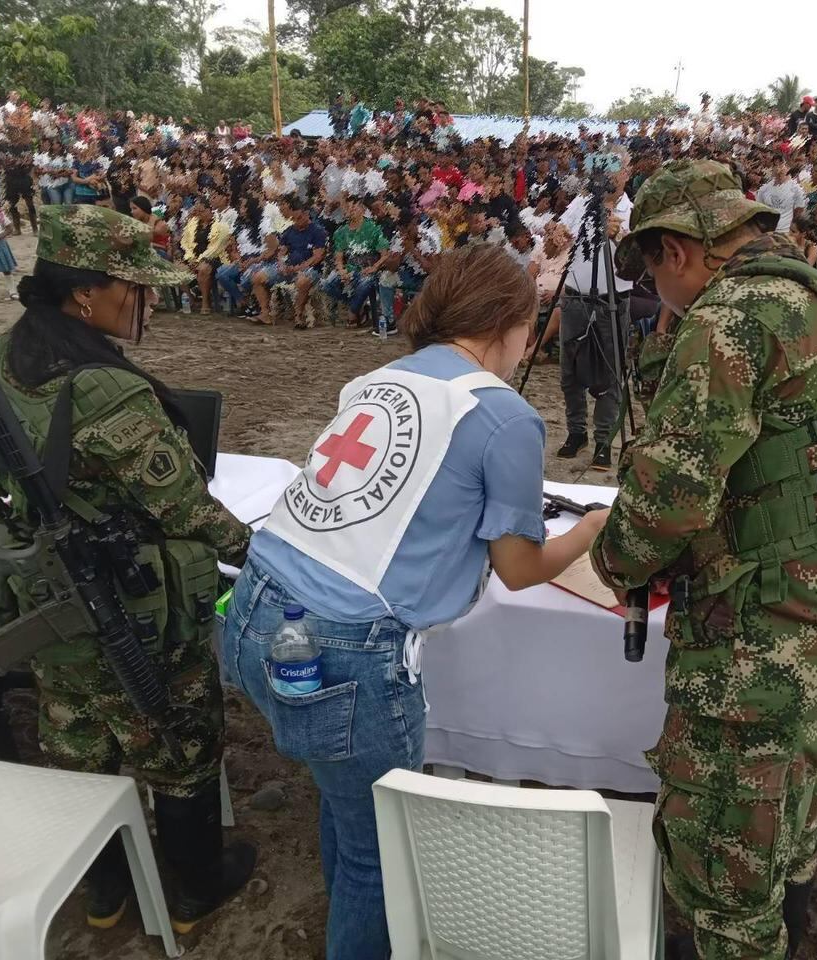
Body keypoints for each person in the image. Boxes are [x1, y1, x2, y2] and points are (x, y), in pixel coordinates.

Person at [221, 243, 610, 960]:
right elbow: (519, 569)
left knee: (350, 804)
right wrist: (587, 529)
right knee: (384, 855)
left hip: (255, 607)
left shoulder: (379, 376)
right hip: (349, 654)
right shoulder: (508, 417)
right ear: (508, 322)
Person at [594, 159, 817, 960]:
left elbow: (665, 503)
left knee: (721, 880)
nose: (654, 285)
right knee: (783, 826)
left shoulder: (728, 320)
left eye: (650, 264)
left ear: (677, 248)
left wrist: (615, 565)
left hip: (759, 657)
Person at [0, 204, 255, 932]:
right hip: (136, 603)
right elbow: (191, 514)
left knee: (76, 738)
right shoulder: (107, 390)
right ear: (85, 293)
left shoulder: (0, 360)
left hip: (50, 602)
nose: (147, 299)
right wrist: (269, 555)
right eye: (136, 286)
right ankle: (191, 893)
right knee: (179, 737)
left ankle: (105, 892)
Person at [555, 165, 634, 468]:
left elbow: (638, 262)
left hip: (612, 300)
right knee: (569, 370)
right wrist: (557, 234)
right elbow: (555, 243)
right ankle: (576, 432)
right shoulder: (582, 204)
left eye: (615, 170)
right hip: (575, 296)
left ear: (626, 173)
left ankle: (604, 439)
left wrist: (620, 235)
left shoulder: (632, 210)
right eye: (603, 168)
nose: (608, 176)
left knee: (611, 371)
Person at [249, 195, 327, 327]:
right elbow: (281, 252)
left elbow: (317, 257)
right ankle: (265, 313)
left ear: (307, 214)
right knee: (257, 278)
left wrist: (297, 268)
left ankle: (299, 315)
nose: (297, 222)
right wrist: (281, 264)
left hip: (309, 269)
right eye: (294, 219)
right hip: (289, 268)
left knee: (302, 282)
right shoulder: (289, 231)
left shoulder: (318, 231)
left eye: (299, 218)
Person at [320, 196, 389, 321]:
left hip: (369, 270)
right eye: (349, 207)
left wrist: (374, 267)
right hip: (351, 269)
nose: (351, 210)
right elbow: (339, 257)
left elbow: (385, 255)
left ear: (362, 210)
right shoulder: (341, 231)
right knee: (327, 283)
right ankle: (357, 305)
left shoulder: (373, 228)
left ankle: (353, 312)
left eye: (354, 207)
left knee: (366, 282)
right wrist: (341, 270)